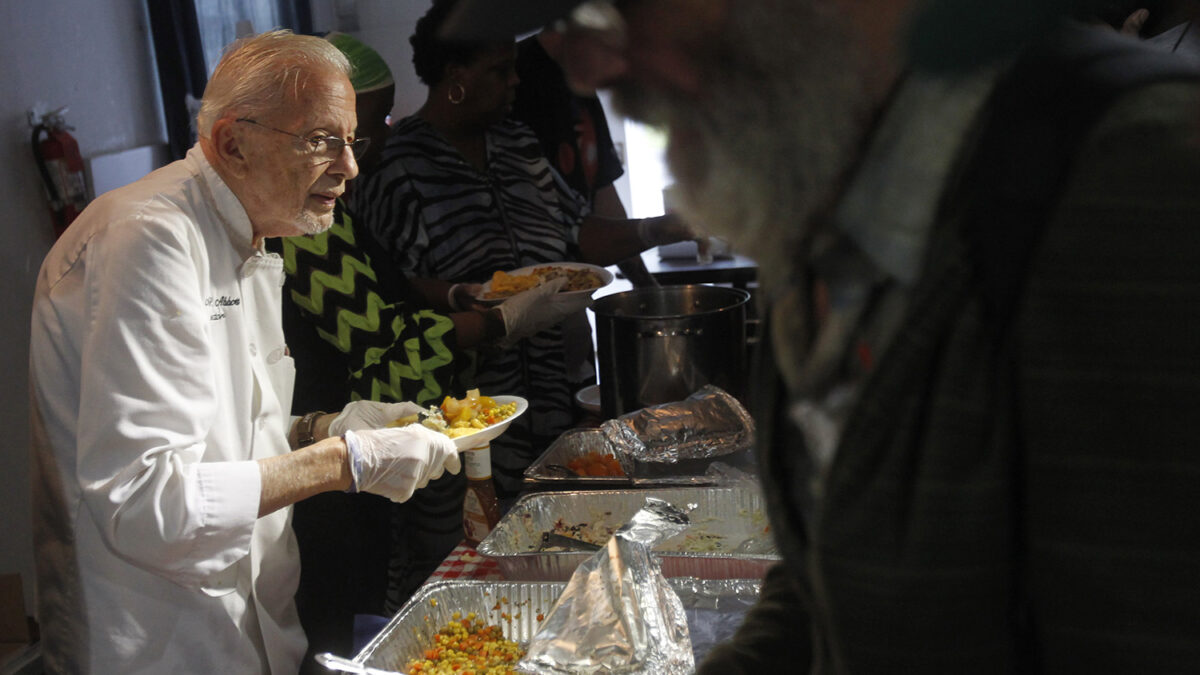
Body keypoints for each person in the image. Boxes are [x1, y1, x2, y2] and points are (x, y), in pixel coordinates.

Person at [442, 0, 1200, 672]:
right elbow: (831, 578)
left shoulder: (1132, 184)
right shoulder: (826, 201)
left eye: (626, 7)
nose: (588, 65)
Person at [29, 29, 464, 673]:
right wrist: (343, 461)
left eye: (352, 141)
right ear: (234, 143)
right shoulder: (150, 238)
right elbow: (148, 502)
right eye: (322, 142)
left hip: (250, 623)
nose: (350, 168)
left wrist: (323, 426)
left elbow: (222, 435)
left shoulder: (252, 233)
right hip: (160, 639)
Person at [273, 32, 584, 665]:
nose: (374, 143)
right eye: (365, 126)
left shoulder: (333, 208)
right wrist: (503, 324)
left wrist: (453, 297)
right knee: (342, 616)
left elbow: (386, 288)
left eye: (379, 121)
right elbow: (379, 342)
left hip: (356, 449)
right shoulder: (300, 226)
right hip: (326, 461)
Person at [353, 0, 693, 499]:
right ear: (456, 77)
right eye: (500, 71)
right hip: (462, 409)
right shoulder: (399, 169)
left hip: (552, 388)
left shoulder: (519, 146)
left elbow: (579, 233)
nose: (515, 82)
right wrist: (481, 308)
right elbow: (392, 295)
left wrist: (664, 229)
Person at [513, 26, 659, 288]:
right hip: (517, 291)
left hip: (571, 290)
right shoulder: (512, 79)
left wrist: (647, 288)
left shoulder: (579, 82)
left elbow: (604, 194)